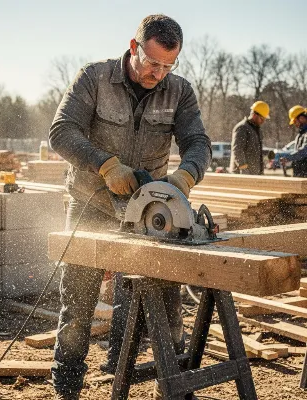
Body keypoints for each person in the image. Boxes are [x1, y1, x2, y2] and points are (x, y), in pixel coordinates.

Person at [49, 14, 211, 400]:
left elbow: (198, 143)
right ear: (134, 47)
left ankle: (173, 383)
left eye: (168, 65)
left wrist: (185, 177)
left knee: (164, 301)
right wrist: (105, 164)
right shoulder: (95, 78)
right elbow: (61, 132)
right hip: (91, 203)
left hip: (148, 212)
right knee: (78, 302)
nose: (159, 73)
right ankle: (67, 386)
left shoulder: (179, 91)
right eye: (153, 63)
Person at [229, 101, 270, 175]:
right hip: (242, 174)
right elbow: (237, 149)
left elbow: (256, 151)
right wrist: (243, 168)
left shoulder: (257, 130)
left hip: (254, 173)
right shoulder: (242, 128)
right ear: (254, 115)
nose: (263, 121)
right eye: (262, 118)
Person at [280, 106, 307, 177]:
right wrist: (290, 166)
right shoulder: (300, 134)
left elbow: (304, 151)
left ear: (301, 118)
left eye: (295, 121)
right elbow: (299, 157)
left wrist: (288, 158)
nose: (295, 124)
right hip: (301, 174)